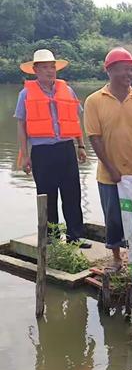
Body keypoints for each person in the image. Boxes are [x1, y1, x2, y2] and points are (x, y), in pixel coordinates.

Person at [84, 47, 132, 270]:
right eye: (124, 69)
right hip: (110, 175)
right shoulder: (94, 101)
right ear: (110, 71)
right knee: (114, 219)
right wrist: (112, 168)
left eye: (131, 69)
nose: (129, 74)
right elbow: (95, 138)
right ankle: (116, 258)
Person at [15, 49, 90, 247]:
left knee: (72, 193)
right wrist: (25, 156)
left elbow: (74, 120)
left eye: (52, 67)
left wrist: (80, 145)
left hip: (66, 148)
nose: (50, 71)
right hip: (42, 152)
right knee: (47, 195)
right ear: (35, 70)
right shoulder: (25, 94)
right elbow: (21, 127)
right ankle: (52, 238)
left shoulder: (68, 90)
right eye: (45, 67)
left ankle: (75, 236)